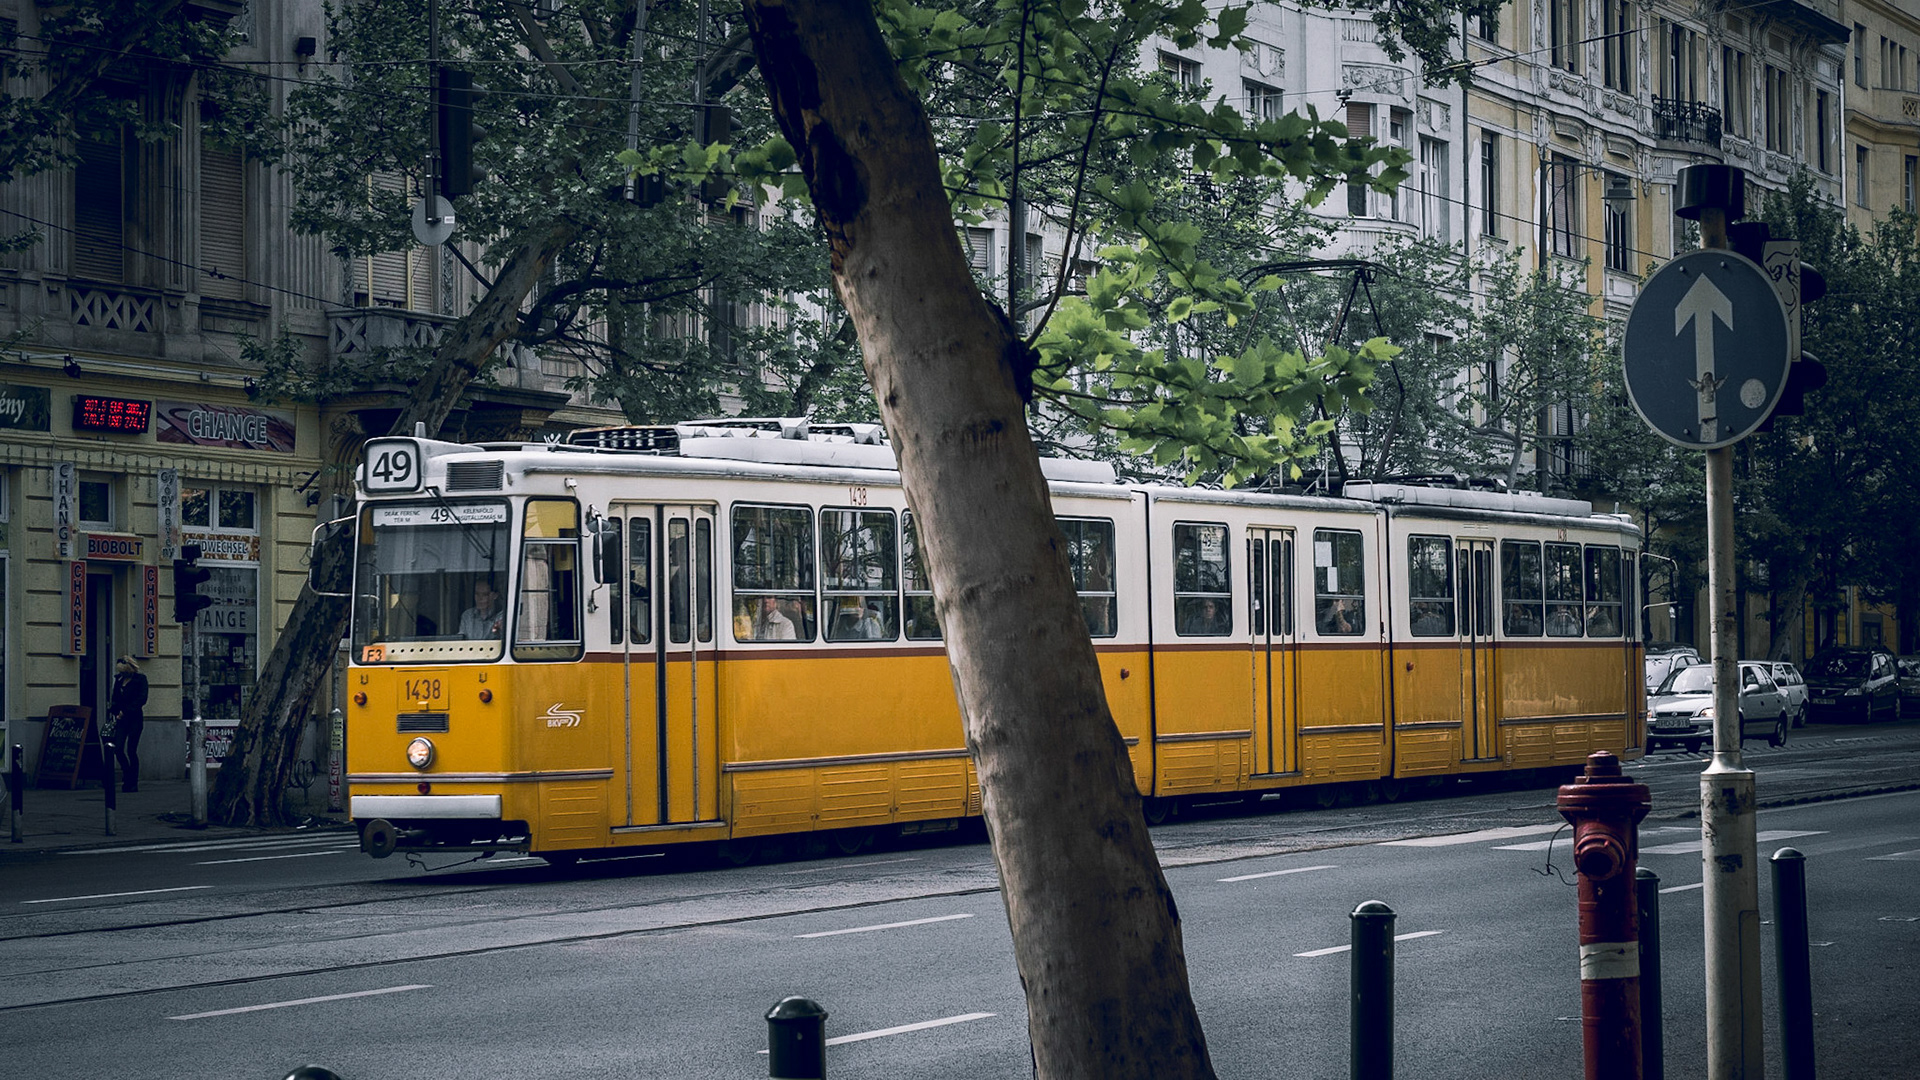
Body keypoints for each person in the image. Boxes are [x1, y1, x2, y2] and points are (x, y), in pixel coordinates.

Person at [107, 655, 148, 793]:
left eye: (124, 671)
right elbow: (115, 698)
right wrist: (114, 710)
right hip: (121, 720)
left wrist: (125, 711)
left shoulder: (140, 680)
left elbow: (142, 699)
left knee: (131, 750)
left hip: (134, 718)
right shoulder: (119, 680)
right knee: (118, 748)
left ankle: (133, 782)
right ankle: (127, 774)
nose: (122, 674)